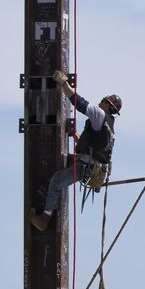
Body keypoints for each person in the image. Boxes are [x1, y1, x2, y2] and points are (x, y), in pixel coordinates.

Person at [30, 70, 122, 231]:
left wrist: (63, 83)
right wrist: (77, 137)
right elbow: (97, 148)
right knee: (62, 158)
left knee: (56, 182)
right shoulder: (109, 126)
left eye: (103, 100)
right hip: (91, 166)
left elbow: (78, 102)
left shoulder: (99, 114)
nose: (100, 102)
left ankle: (44, 218)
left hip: (85, 167)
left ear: (108, 105)